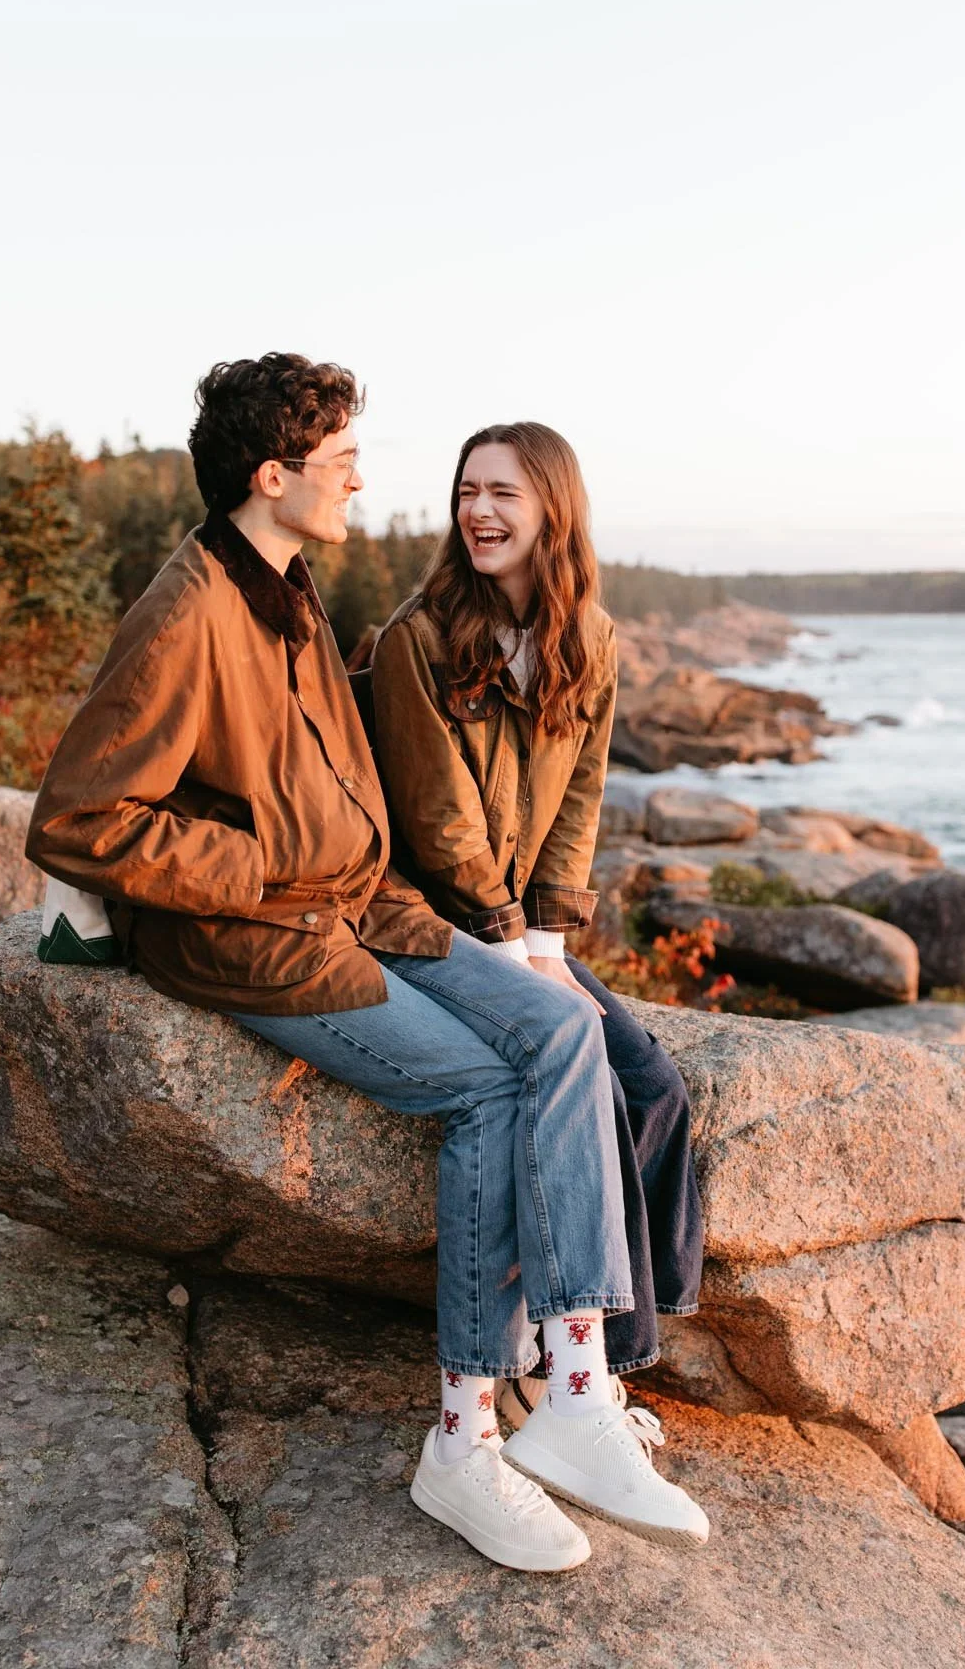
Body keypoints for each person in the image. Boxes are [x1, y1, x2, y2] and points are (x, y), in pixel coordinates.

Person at [25, 355, 708, 1574]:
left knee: (566, 1029)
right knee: (489, 1088)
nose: (357, 478)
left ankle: (575, 1391)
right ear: (270, 474)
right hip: (265, 939)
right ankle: (460, 1439)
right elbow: (78, 818)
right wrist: (259, 859)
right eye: (339, 458)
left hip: (366, 905)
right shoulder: (187, 610)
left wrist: (503, 923)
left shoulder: (292, 591)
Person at [369, 421, 705, 1433]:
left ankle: (618, 1354)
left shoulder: (589, 640)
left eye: (503, 493)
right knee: (581, 1080)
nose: (478, 511)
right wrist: (516, 948)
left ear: (553, 507)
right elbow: (439, 819)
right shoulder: (418, 639)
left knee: (654, 1086)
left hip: (521, 927)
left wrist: (551, 947)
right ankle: (570, 1377)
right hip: (435, 918)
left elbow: (579, 802)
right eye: (467, 491)